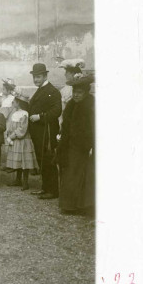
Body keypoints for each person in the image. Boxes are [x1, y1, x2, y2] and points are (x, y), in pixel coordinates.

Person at [57, 73, 95, 215]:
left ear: (86, 93)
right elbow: (66, 124)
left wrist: (91, 145)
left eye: (80, 92)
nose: (76, 95)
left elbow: (93, 127)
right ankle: (69, 205)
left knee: (83, 175)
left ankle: (84, 205)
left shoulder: (90, 104)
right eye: (75, 92)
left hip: (85, 146)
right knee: (70, 173)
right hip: (70, 145)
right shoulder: (71, 105)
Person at [27, 63, 62, 200]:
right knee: (42, 160)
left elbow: (56, 111)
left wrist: (40, 117)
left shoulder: (52, 91)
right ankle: (45, 187)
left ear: (45, 76)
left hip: (47, 132)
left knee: (48, 160)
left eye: (39, 77)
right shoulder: (41, 90)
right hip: (38, 133)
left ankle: (53, 191)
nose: (36, 80)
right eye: (35, 77)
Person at [4, 93, 38, 190]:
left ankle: (25, 182)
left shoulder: (25, 114)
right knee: (18, 160)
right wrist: (8, 134)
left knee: (24, 161)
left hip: (22, 140)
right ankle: (18, 180)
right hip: (15, 140)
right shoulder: (14, 113)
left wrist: (12, 136)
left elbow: (22, 129)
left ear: (18, 103)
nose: (12, 103)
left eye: (14, 101)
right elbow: (11, 126)